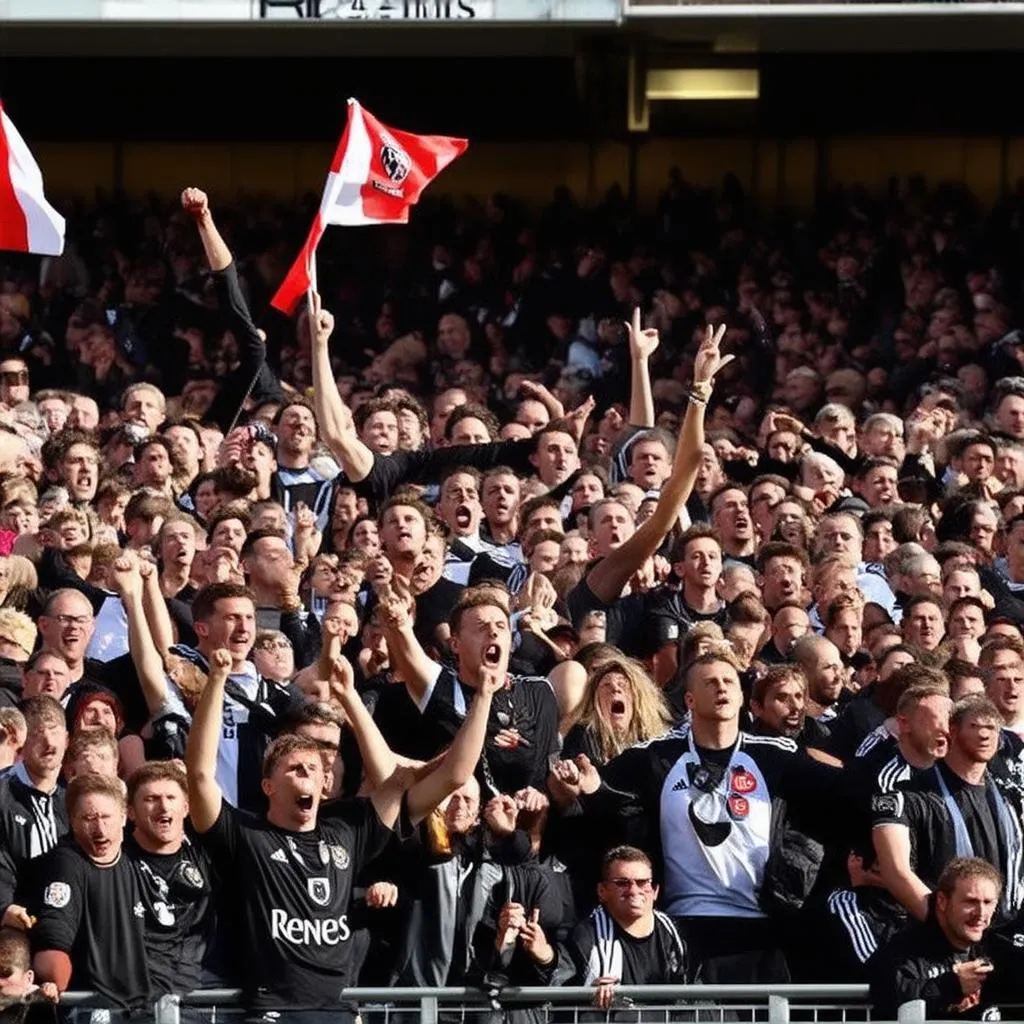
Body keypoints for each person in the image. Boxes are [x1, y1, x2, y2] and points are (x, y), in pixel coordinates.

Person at [185, 638, 501, 1020]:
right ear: (268, 785)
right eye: (295, 768)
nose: (308, 775)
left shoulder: (348, 829)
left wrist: (483, 694)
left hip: (337, 1012)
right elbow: (200, 774)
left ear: (325, 784)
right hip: (273, 1012)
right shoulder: (245, 834)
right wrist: (217, 680)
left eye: (315, 770)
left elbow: (454, 774)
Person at [869, 857, 1011, 1019]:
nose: (980, 913)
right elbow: (891, 997)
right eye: (970, 902)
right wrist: (952, 985)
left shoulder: (997, 947)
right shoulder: (904, 949)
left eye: (988, 903)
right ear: (942, 901)